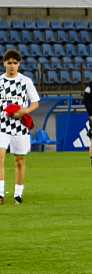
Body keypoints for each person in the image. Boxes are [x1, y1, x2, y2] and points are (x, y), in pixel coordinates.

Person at [0, 49, 39, 205]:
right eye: (9, 63)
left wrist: (25, 110)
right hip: (2, 124)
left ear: (19, 64)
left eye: (15, 63)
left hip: (20, 126)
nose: (12, 66)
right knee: (0, 157)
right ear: (4, 63)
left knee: (19, 160)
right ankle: (1, 194)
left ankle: (18, 194)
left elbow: (35, 102)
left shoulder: (25, 81)